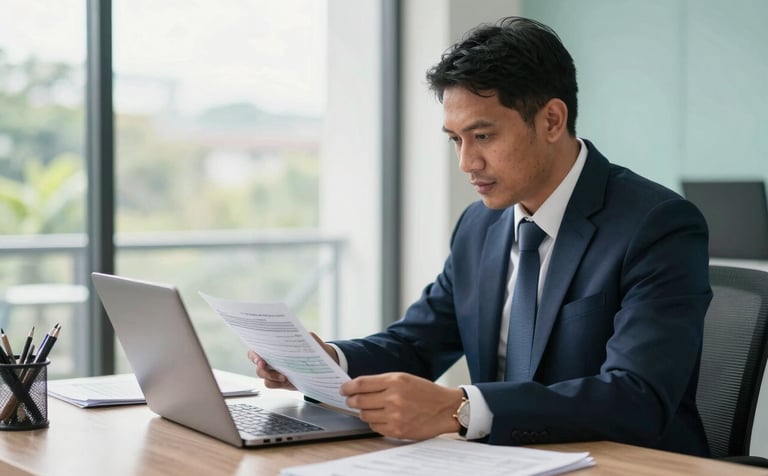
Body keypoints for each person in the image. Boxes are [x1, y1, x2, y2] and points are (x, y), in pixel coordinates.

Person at [250, 16, 712, 456]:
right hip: (504, 462)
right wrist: (326, 360)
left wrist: (460, 408)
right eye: (456, 139)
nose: (466, 162)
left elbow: (636, 397)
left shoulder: (657, 225)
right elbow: (416, 345)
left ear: (552, 120)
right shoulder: (479, 226)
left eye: (483, 136)